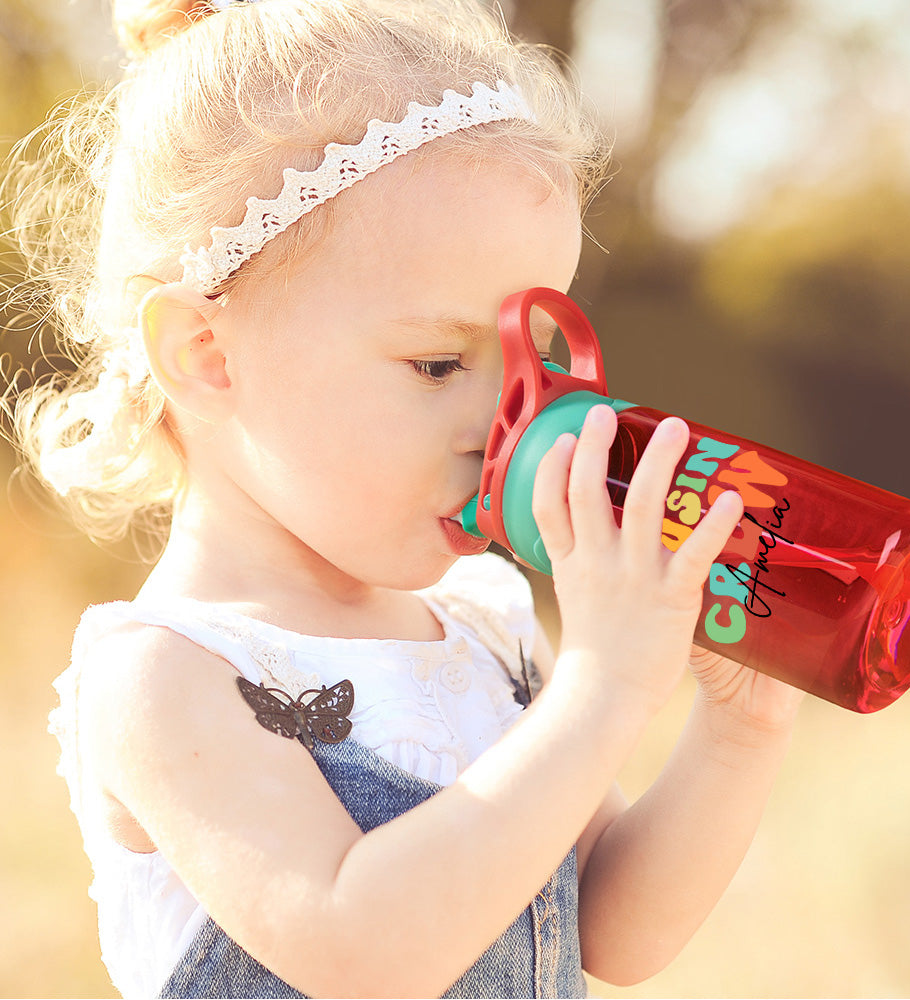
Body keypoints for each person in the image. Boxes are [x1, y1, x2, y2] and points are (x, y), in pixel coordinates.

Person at [4, 1, 804, 996]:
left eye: (529, 366)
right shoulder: (168, 677)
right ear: (206, 355)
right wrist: (602, 691)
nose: (503, 422)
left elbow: (609, 930)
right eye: (436, 363)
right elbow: (360, 950)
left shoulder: (483, 630)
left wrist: (736, 732)